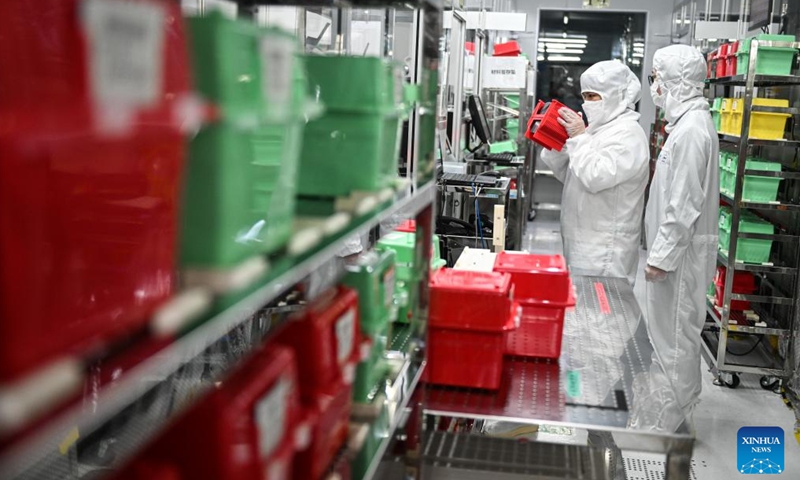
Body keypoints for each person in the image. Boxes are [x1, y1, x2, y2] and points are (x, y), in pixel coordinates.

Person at [644, 44, 719, 420]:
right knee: (671, 335)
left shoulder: (691, 131)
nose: (654, 86)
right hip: (681, 252)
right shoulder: (686, 125)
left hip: (681, 256)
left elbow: (684, 202)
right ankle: (669, 411)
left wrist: (661, 257)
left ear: (676, 81)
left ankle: (668, 421)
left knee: (674, 338)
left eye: (657, 78)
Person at [540, 61, 649, 285]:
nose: (588, 103)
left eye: (594, 96)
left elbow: (594, 176)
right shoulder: (599, 129)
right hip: (583, 242)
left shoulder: (628, 135)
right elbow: (572, 175)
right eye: (585, 96)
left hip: (605, 249)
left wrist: (579, 137)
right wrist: (559, 141)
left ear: (616, 95)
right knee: (583, 312)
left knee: (602, 314)